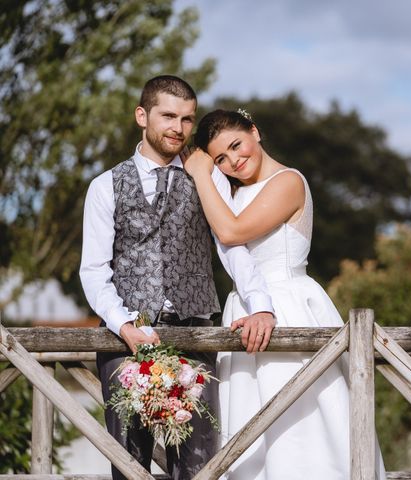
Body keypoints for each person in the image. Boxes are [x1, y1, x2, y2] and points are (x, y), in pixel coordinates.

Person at [79, 76, 275, 480]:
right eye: (168, 116)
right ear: (142, 115)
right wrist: (125, 325)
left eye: (187, 119)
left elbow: (231, 246)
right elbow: (94, 271)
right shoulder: (104, 187)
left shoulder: (208, 177)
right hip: (125, 344)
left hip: (196, 337)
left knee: (201, 467)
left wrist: (262, 306)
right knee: (129, 465)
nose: (179, 128)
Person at [183, 109, 386, 479]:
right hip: (241, 307)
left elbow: (232, 232)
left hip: (288, 305)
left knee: (301, 418)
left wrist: (200, 172)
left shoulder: (288, 181)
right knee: (248, 424)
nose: (233, 161)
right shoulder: (229, 190)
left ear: (255, 132)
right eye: (220, 159)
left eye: (236, 145)